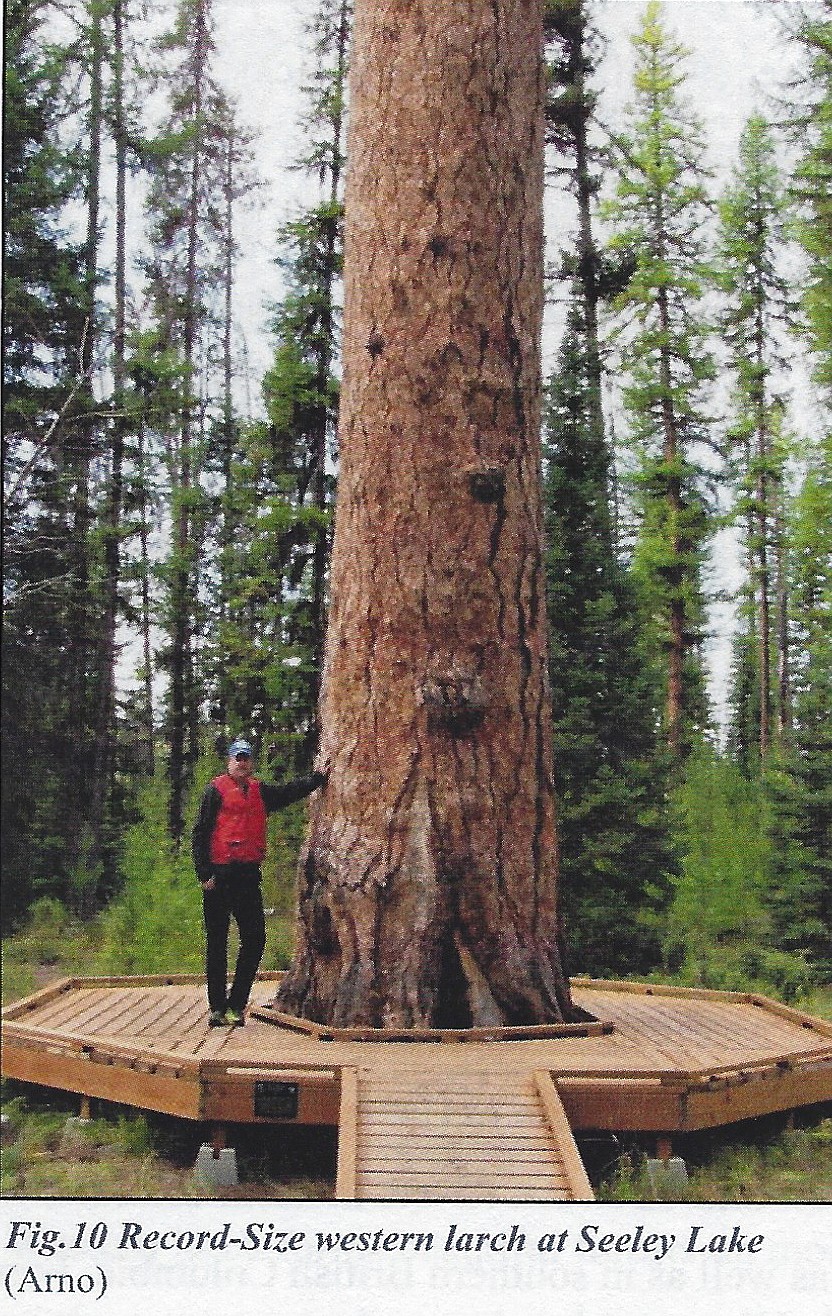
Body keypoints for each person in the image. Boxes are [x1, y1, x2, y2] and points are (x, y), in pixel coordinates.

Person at [192, 738, 326, 1027]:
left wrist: (317, 779)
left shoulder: (259, 791)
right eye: (237, 758)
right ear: (229, 761)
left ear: (251, 762)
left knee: (254, 939)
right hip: (219, 874)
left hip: (248, 874)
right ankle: (217, 1007)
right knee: (217, 942)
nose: (242, 762)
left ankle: (236, 1004)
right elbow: (200, 832)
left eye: (246, 758)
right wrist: (204, 874)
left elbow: (288, 792)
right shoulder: (214, 791)